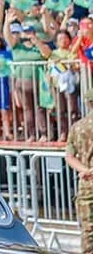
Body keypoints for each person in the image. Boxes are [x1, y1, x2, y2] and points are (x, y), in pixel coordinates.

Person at [65, 88, 93, 254]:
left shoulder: (77, 127)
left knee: (88, 233)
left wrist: (86, 170)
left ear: (88, 103)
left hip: (87, 185)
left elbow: (69, 157)